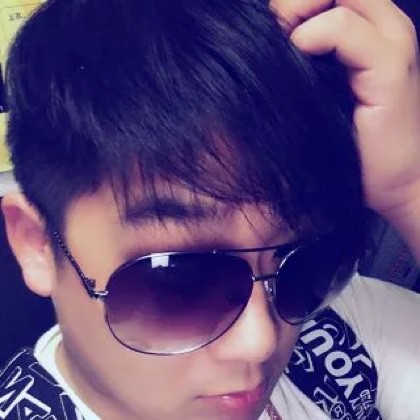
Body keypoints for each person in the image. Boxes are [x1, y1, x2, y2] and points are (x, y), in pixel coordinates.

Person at [1, 0, 420, 418]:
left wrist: (409, 191)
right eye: (180, 282)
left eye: (306, 263)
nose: (260, 341)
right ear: (37, 244)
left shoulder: (332, 331)